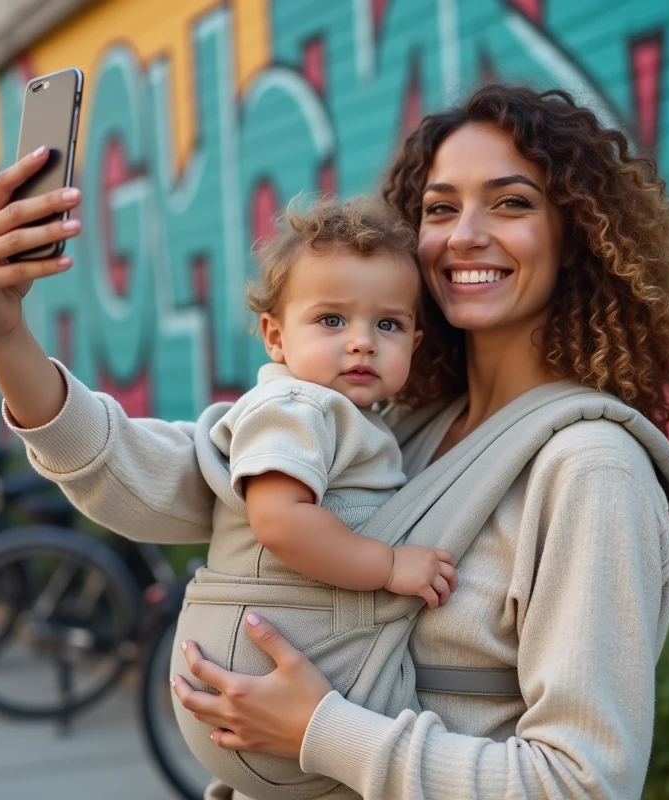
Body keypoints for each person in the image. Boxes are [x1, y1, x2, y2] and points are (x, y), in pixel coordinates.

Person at [0, 82, 669, 799]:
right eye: (441, 209)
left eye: (511, 203)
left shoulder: (590, 470)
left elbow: (583, 785)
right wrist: (4, 339)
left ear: (576, 234)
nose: (465, 235)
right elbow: (152, 474)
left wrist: (323, 730)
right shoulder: (390, 424)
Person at [166, 194, 460, 794]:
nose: (362, 342)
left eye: (388, 324)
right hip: (256, 667)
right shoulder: (298, 406)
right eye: (332, 320)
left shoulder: (354, 417)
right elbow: (279, 521)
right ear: (275, 337)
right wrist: (389, 564)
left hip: (264, 680)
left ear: (415, 340)